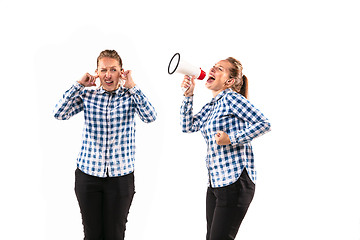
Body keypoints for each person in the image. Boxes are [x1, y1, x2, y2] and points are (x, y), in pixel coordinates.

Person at [53, 49, 157, 240]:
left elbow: (150, 117)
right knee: (92, 234)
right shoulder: (87, 96)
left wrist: (133, 86)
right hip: (88, 176)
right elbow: (59, 113)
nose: (108, 75)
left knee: (115, 234)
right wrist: (78, 85)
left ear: (121, 72)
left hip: (120, 178)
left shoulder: (130, 96)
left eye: (113, 69)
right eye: (103, 70)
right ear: (97, 72)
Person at [180, 57, 271, 240]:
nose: (212, 69)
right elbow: (187, 126)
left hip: (235, 182)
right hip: (216, 184)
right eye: (213, 66)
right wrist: (188, 96)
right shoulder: (212, 106)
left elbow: (264, 123)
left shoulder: (231, 98)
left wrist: (231, 139)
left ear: (229, 82)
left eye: (219, 68)